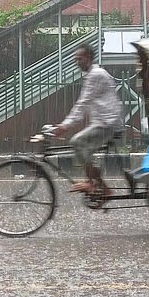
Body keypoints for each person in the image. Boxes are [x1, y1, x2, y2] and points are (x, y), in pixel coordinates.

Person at [54, 43, 123, 195]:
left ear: (89, 58)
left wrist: (65, 126)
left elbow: (83, 102)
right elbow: (84, 104)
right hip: (104, 122)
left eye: (80, 59)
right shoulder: (94, 74)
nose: (77, 62)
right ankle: (96, 182)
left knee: (77, 142)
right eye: (76, 59)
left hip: (107, 124)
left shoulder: (96, 75)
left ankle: (97, 185)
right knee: (84, 150)